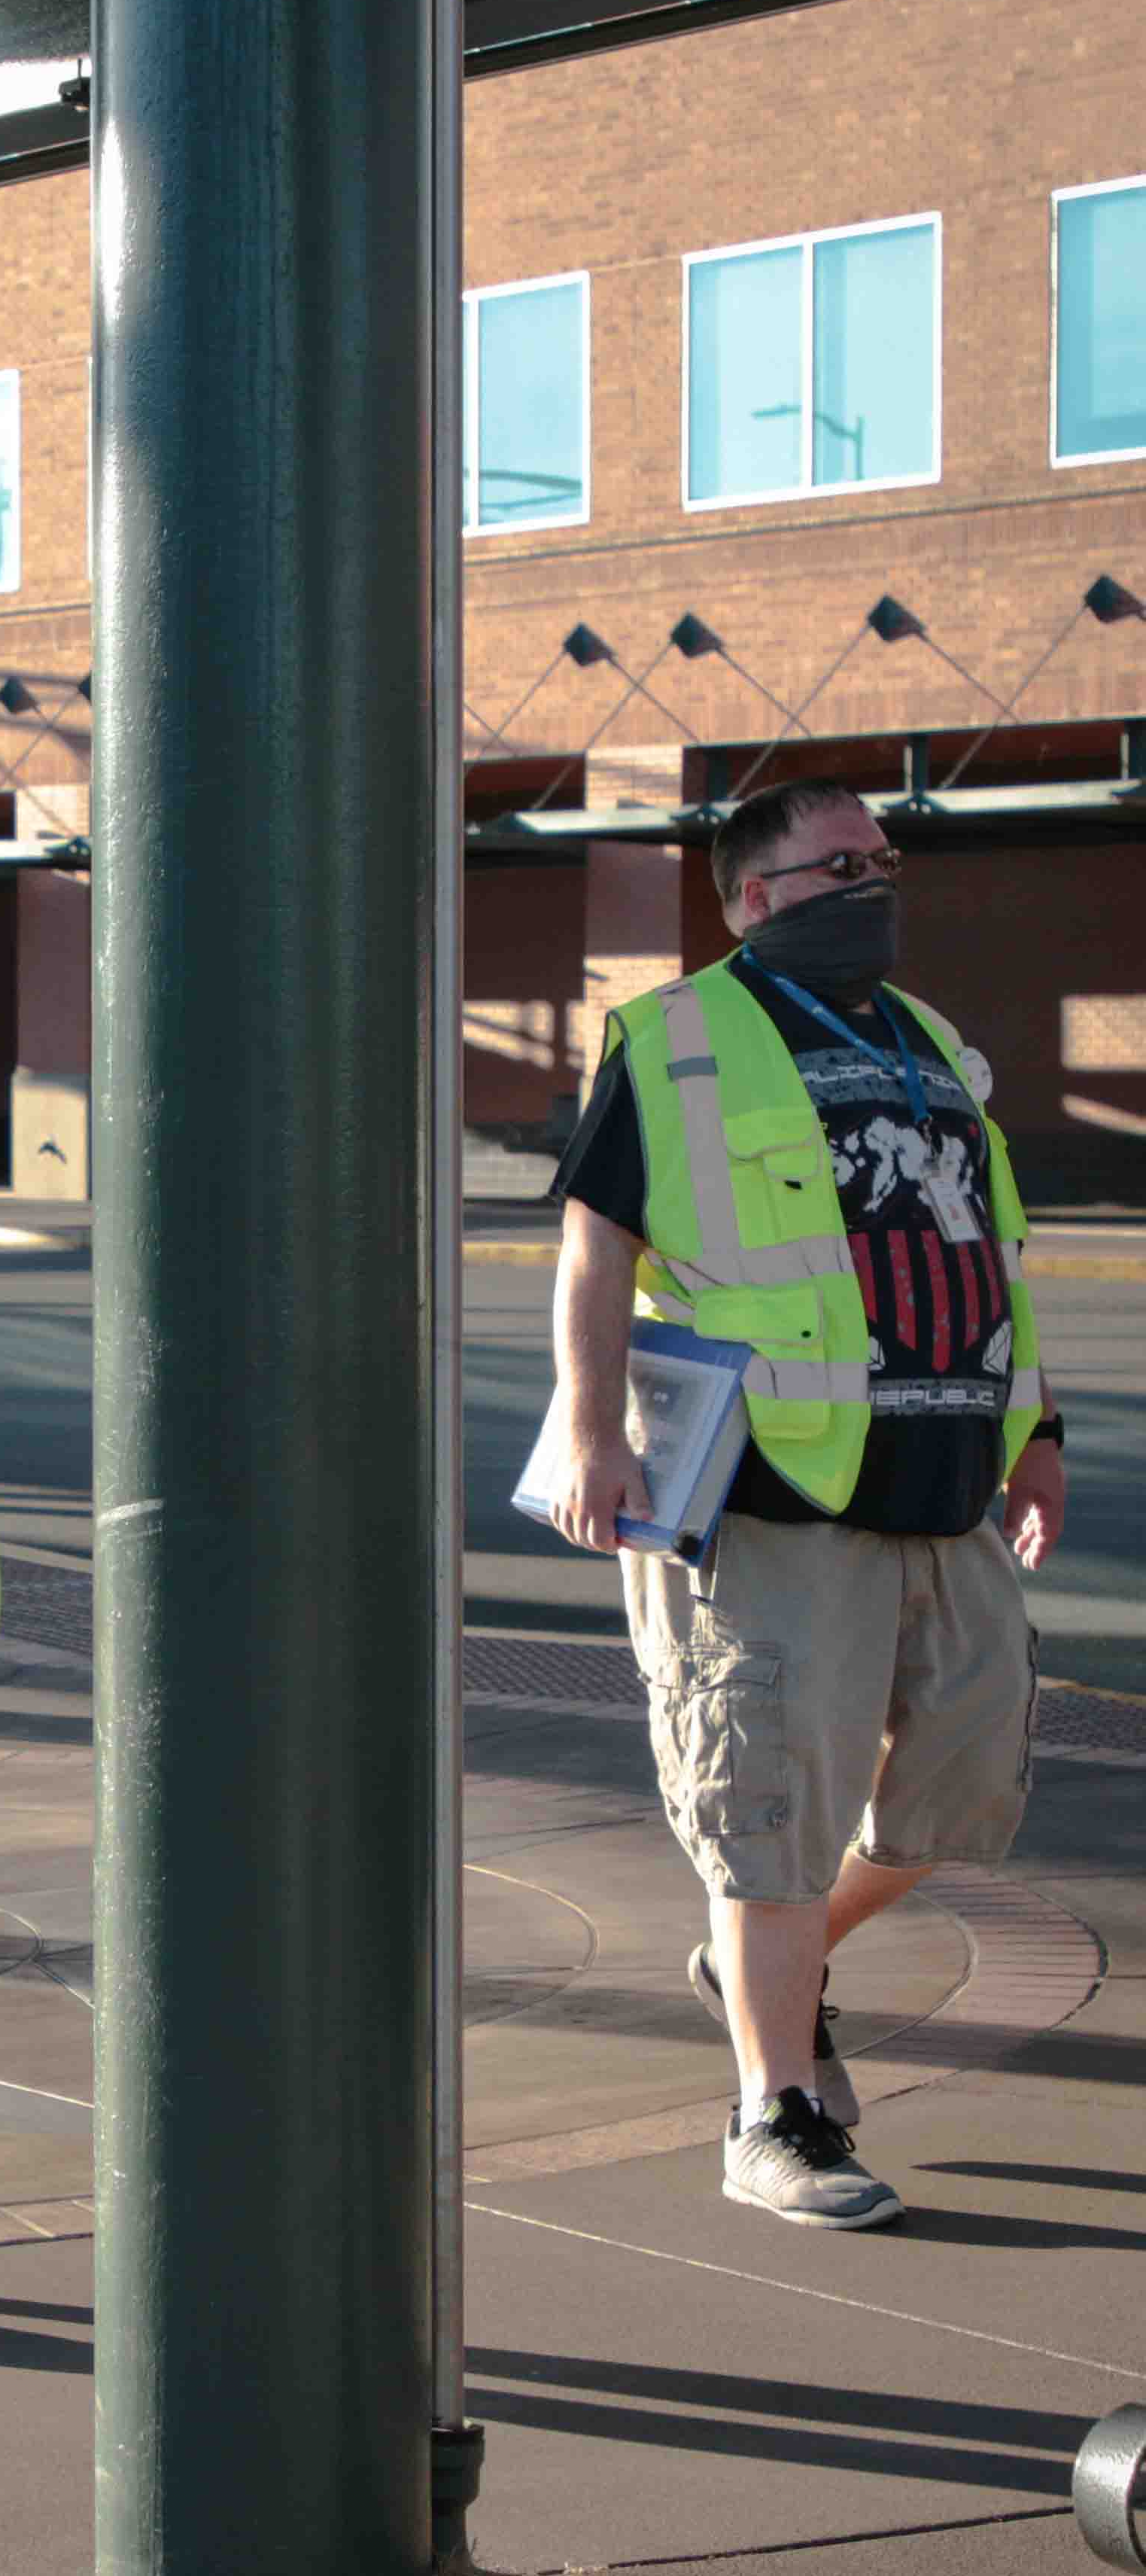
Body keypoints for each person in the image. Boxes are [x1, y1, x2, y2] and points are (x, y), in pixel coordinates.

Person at [543, 779, 1065, 2230]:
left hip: (946, 1471)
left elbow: (995, 1254)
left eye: (886, 860)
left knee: (962, 1781)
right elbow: (597, 1253)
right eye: (841, 864)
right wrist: (591, 1428)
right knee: (771, 1801)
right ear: (754, 896)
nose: (875, 882)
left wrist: (1040, 1432)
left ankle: (756, 1959)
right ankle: (770, 2110)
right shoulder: (674, 1040)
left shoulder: (930, 1045)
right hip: (768, 1484)